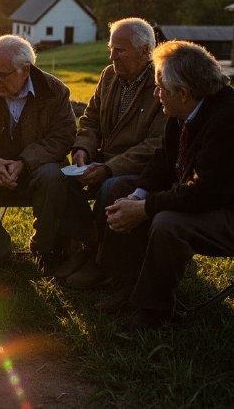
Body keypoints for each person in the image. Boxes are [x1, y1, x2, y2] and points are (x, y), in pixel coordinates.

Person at [101, 41, 234, 328]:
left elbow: (207, 194)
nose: (156, 94)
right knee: (119, 190)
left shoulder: (231, 121)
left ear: (183, 92)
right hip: (218, 201)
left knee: (169, 223)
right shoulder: (181, 110)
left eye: (160, 88)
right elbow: (163, 161)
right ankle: (127, 285)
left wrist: (144, 208)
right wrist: (137, 195)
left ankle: (153, 314)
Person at [0, 34, 76, 277]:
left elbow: (63, 137)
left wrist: (24, 163)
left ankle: (44, 248)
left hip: (36, 171)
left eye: (2, 73)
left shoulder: (54, 91)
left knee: (54, 175)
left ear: (25, 70)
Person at [61, 18, 167, 288]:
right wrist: (83, 150)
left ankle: (101, 262)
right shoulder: (109, 75)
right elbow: (91, 120)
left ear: (145, 51)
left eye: (120, 50)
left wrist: (109, 168)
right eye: (111, 49)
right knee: (61, 175)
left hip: (139, 169)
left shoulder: (161, 84)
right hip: (103, 158)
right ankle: (82, 246)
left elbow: (156, 145)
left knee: (111, 187)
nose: (112, 56)